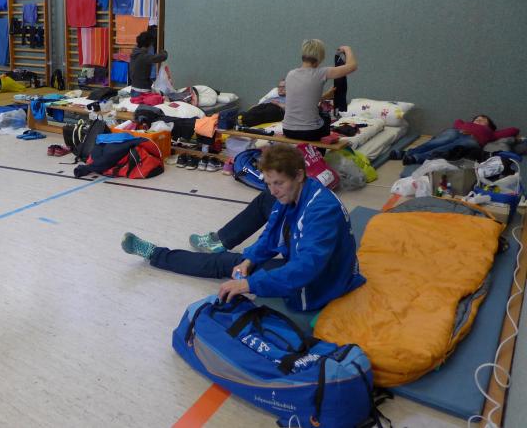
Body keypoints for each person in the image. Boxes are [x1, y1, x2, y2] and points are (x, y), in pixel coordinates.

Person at [122, 144, 366, 311]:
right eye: (269, 183)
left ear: (300, 175)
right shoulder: (294, 192)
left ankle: (157, 254)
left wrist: (249, 285)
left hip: (321, 283)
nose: (273, 190)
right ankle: (158, 253)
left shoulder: (321, 211)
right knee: (238, 261)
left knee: (226, 265)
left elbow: (305, 269)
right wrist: (249, 260)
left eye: (278, 183)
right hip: (306, 263)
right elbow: (270, 235)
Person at [282, 39, 357, 142]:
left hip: (287, 129)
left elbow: (303, 98)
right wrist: (347, 49)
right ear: (320, 58)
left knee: (319, 115)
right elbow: (352, 66)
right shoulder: (321, 73)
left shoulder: (291, 74)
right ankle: (319, 151)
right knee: (325, 117)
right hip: (309, 132)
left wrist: (325, 96)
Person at [392, 115, 519, 165]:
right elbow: (457, 121)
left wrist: (486, 128)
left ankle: (417, 158)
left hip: (472, 140)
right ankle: (407, 153)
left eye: (483, 119)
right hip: (457, 132)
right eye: (477, 118)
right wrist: (465, 126)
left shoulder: (491, 132)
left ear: (489, 125)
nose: (479, 119)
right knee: (438, 142)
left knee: (449, 147)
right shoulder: (465, 124)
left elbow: (514, 130)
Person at [241, 80, 337, 127]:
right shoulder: (272, 96)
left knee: (261, 114)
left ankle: (242, 121)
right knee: (253, 111)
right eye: (279, 87)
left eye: (283, 87)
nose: (280, 89)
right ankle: (241, 119)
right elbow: (258, 105)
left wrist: (278, 104)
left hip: (278, 110)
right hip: (267, 106)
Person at [129, 31, 167, 97]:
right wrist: (164, 52)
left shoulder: (135, 53)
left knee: (160, 93)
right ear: (149, 45)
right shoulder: (144, 56)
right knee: (162, 96)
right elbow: (161, 57)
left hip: (134, 89)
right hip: (142, 91)